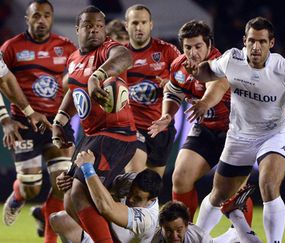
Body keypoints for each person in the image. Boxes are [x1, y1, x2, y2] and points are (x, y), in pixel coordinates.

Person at [184, 17, 285, 243]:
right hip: (239, 136)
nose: (255, 47)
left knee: (268, 185)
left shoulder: (284, 68)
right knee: (218, 194)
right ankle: (196, 237)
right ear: (244, 41)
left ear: (272, 43)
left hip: (273, 133)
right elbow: (209, 72)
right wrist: (196, 72)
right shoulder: (232, 58)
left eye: (261, 41)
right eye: (251, 41)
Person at [148, 20, 253, 241]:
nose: (193, 53)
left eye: (198, 46)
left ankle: (243, 236)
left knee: (233, 189)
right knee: (180, 176)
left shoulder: (221, 62)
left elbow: (218, 86)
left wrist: (204, 103)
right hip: (205, 129)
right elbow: (173, 92)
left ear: (209, 45)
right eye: (187, 47)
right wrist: (167, 114)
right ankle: (186, 233)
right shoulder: (179, 66)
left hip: (236, 132)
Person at [52, 6, 137, 243]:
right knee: (69, 199)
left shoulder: (108, 50)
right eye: (89, 26)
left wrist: (97, 76)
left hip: (116, 135)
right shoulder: (74, 59)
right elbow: (73, 90)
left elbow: (125, 56)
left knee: (80, 193)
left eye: (100, 26)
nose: (95, 31)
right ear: (77, 29)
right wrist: (60, 119)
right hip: (91, 137)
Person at [0, 1, 76, 242]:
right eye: (36, 16)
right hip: (25, 122)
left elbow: (76, 81)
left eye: (46, 15)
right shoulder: (11, 48)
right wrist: (5, 120)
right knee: (31, 186)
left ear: (52, 18)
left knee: (63, 184)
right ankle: (19, 195)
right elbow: (3, 81)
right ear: (27, 19)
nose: (41, 20)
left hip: (56, 122)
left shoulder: (65, 47)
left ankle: (49, 238)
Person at [50, 150, 162, 243]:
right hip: (104, 233)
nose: (130, 198)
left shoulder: (147, 219)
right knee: (58, 219)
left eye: (137, 198)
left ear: (151, 200)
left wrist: (87, 167)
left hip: (115, 239)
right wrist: (71, 179)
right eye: (130, 192)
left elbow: (107, 208)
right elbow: (99, 186)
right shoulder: (130, 181)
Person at [123, 4, 180, 176]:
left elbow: (185, 83)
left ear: (151, 25)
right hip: (133, 128)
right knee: (133, 178)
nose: (139, 27)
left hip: (161, 127)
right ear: (126, 26)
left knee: (152, 187)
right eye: (134, 23)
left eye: (143, 22)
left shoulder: (167, 51)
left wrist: (171, 84)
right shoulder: (119, 54)